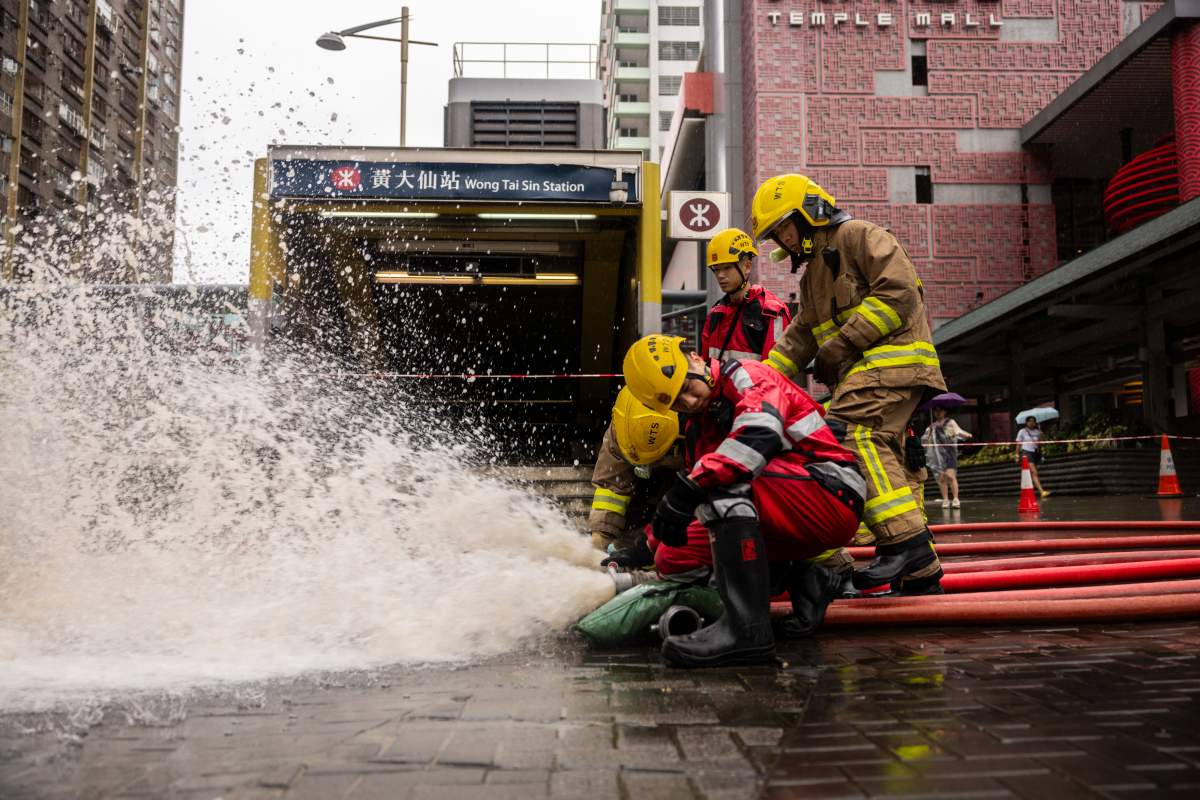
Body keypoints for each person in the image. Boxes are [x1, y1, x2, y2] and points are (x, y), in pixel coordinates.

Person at [750, 173, 948, 595]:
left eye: (783, 227)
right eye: (776, 235)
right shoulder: (812, 276)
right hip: (869, 375)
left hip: (896, 363)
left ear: (809, 212)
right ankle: (921, 572)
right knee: (878, 451)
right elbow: (800, 336)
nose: (782, 241)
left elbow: (898, 294)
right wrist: (757, 381)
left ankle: (906, 543)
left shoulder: (859, 236)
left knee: (848, 436)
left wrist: (840, 346)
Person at [622, 334, 866, 667]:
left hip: (830, 492)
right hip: (785, 505)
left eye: (686, 388)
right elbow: (699, 488)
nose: (689, 403)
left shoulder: (747, 375)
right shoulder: (699, 427)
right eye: (677, 403)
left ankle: (748, 634)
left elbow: (758, 435)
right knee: (672, 555)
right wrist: (647, 544)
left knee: (722, 484)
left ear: (695, 358)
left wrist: (690, 488)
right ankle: (805, 581)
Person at [586, 228, 792, 553]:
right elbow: (704, 367)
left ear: (746, 265)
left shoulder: (770, 312)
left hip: (753, 407)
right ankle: (624, 541)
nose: (721, 276)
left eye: (726, 267)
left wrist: (743, 404)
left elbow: (780, 371)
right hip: (714, 401)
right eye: (716, 270)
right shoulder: (716, 316)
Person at [923, 405, 972, 509]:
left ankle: (955, 499)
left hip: (949, 453)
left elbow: (958, 432)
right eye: (936, 411)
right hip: (937, 455)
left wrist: (966, 435)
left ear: (944, 412)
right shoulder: (933, 426)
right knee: (942, 478)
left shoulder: (950, 422)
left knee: (950, 476)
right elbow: (926, 440)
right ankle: (945, 499)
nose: (938, 413)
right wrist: (930, 432)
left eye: (940, 410)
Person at [1016, 415, 1050, 497]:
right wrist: (1017, 455)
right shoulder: (1022, 431)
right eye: (1029, 421)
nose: (1031, 422)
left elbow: (1041, 443)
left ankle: (1031, 488)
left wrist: (1042, 436)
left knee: (1033, 473)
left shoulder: (1038, 431)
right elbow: (1018, 444)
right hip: (1026, 452)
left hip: (1036, 453)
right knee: (1034, 472)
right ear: (1026, 422)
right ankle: (1041, 491)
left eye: (1033, 421)